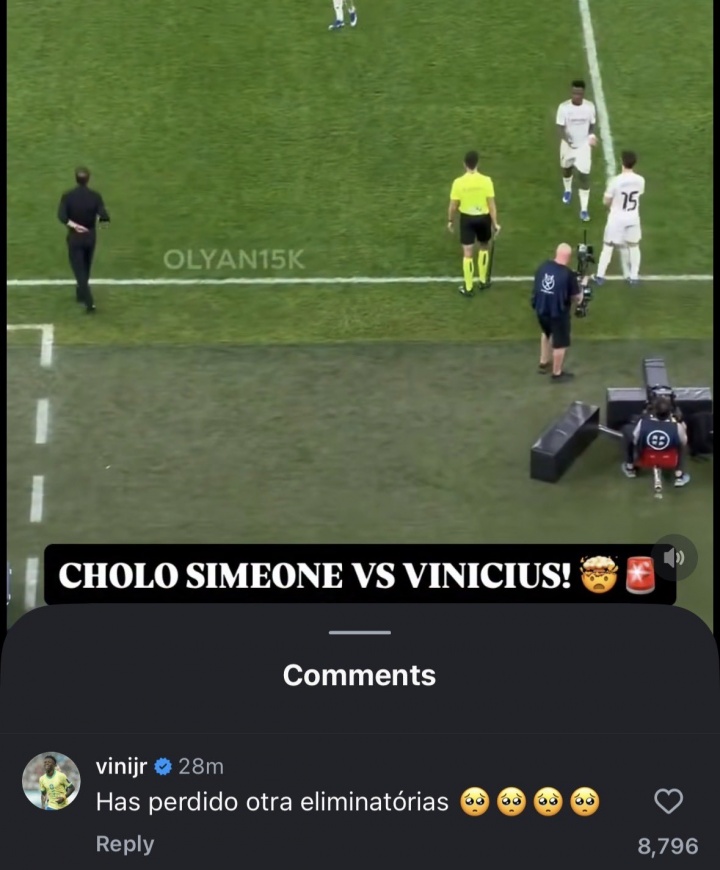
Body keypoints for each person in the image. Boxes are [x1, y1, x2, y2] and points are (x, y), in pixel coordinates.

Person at [57, 167, 110, 313]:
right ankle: (80, 293)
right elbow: (104, 217)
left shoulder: (68, 196)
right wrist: (98, 225)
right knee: (86, 267)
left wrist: (75, 226)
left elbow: (62, 216)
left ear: (76, 179)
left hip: (75, 237)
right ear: (88, 179)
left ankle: (89, 302)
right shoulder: (95, 196)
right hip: (90, 237)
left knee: (79, 270)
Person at [447, 151, 500, 296]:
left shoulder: (458, 183)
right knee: (484, 246)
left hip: (467, 220)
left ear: (464, 164)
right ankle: (483, 281)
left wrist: (450, 220)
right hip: (483, 218)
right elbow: (491, 205)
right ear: (478, 163)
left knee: (468, 253)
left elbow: (453, 206)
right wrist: (495, 223)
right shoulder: (486, 181)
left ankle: (469, 287)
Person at [531, 243, 583, 382]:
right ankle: (557, 373)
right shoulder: (568, 274)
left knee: (546, 332)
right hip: (558, 313)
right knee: (560, 343)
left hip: (541, 310)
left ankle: (543, 362)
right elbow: (576, 298)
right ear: (569, 257)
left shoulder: (543, 267)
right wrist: (582, 289)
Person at [593, 150, 645, 286]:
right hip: (633, 218)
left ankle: (600, 275)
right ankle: (634, 276)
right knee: (634, 246)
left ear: (622, 162)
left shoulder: (615, 181)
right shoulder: (640, 180)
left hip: (617, 219)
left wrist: (611, 205)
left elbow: (606, 201)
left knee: (608, 246)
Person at [623, 395, 691, 486]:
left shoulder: (643, 423)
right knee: (682, 445)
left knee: (628, 431)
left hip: (645, 457)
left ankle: (630, 467)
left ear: (655, 410)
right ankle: (679, 475)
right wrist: (681, 422)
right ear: (669, 411)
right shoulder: (677, 426)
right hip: (669, 459)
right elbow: (684, 441)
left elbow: (635, 440)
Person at [556, 80, 597, 222]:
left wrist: (591, 136)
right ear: (571, 92)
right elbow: (560, 127)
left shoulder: (589, 107)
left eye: (579, 93)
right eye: (574, 93)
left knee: (584, 177)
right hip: (567, 146)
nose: (576, 96)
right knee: (566, 169)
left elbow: (592, 124)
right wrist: (566, 139)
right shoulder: (563, 108)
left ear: (583, 93)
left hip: (583, 147)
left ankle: (584, 210)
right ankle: (568, 190)